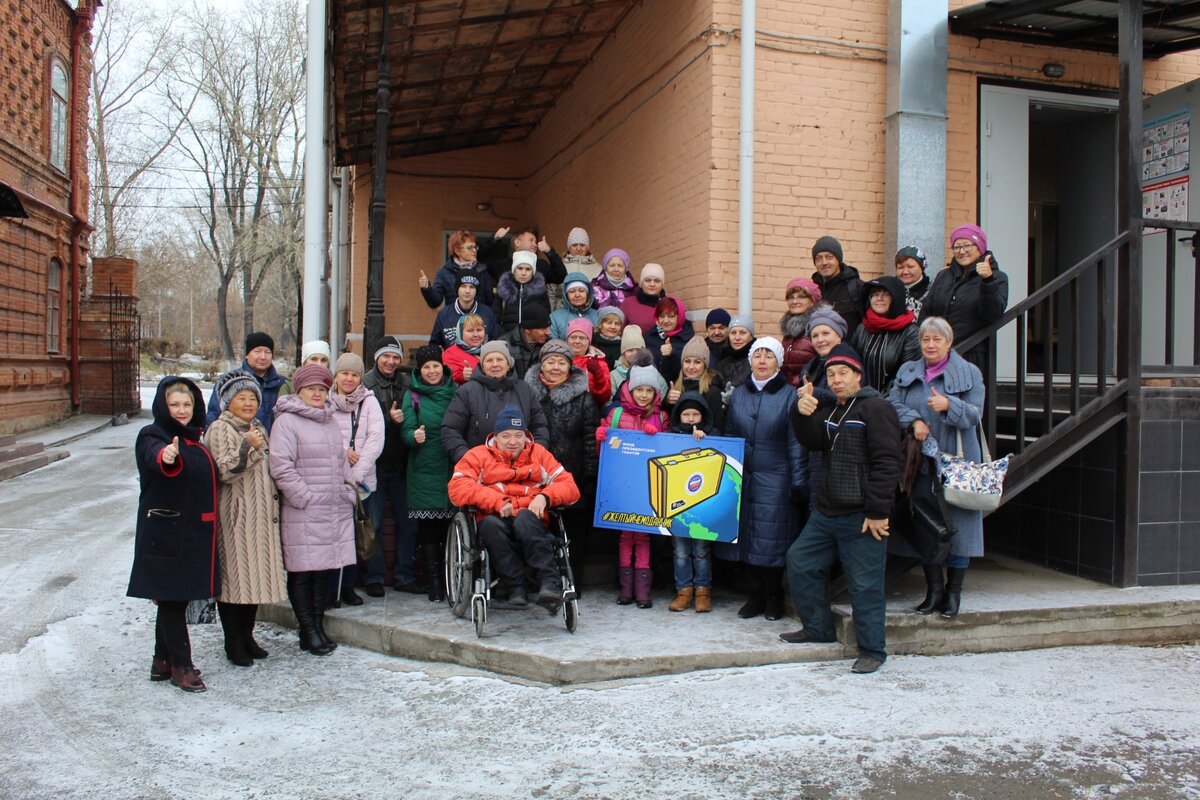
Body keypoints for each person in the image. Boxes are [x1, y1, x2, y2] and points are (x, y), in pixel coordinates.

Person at [785, 343, 902, 675]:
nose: (836, 380)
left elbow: (887, 462)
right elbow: (812, 441)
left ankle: (872, 650)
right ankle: (818, 628)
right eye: (831, 374)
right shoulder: (835, 409)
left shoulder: (876, 409)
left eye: (843, 373)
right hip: (826, 512)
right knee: (800, 560)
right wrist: (800, 411)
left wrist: (878, 511)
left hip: (863, 516)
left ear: (857, 376)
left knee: (864, 584)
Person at [887, 316, 986, 618]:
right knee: (927, 525)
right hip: (920, 462)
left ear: (949, 342)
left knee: (960, 527)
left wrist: (949, 406)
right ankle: (933, 592)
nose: (930, 345)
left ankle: (953, 593)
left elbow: (975, 414)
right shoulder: (908, 371)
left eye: (936, 340)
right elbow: (891, 402)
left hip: (957, 462)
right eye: (926, 340)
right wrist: (914, 420)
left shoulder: (968, 373)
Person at [128, 376, 218, 693]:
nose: (181, 410)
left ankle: (161, 661)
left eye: (187, 404)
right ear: (163, 407)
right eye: (174, 404)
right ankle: (182, 666)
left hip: (188, 534)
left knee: (171, 598)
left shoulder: (195, 438)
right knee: (172, 600)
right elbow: (156, 456)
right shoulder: (153, 434)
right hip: (167, 536)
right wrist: (166, 456)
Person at [447, 405, 581, 612]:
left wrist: (545, 497)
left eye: (518, 436)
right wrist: (496, 501)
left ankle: (549, 582)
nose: (512, 442)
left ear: (526, 436)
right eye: (506, 436)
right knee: (491, 525)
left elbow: (570, 487)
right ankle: (515, 587)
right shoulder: (478, 456)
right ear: (496, 436)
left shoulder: (539, 454)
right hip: (495, 517)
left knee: (525, 520)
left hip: (531, 519)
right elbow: (457, 488)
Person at [202, 370, 288, 668]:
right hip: (237, 517)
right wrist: (247, 446)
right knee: (235, 582)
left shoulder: (257, 425)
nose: (249, 403)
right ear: (228, 401)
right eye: (242, 398)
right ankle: (233, 641)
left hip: (261, 516)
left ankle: (248, 636)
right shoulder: (219, 428)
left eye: (253, 398)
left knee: (255, 580)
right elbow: (224, 471)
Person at [269, 365, 357, 657]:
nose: (318, 394)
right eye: (312, 389)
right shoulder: (287, 422)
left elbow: (341, 461)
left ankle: (317, 627)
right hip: (304, 510)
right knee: (303, 571)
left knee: (323, 571)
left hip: (333, 507)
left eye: (322, 389)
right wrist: (303, 497)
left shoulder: (330, 420)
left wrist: (348, 490)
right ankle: (307, 630)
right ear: (299, 391)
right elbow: (281, 466)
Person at [719, 337, 805, 621]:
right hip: (743, 477)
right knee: (746, 540)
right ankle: (753, 596)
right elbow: (730, 433)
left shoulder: (789, 395)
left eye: (769, 355)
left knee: (772, 541)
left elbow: (796, 442)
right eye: (758, 355)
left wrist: (797, 481)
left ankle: (774, 597)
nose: (763, 360)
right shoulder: (740, 394)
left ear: (778, 363)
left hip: (776, 478)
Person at [525, 339, 600, 591]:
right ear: (541, 365)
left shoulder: (584, 397)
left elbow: (591, 438)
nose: (555, 367)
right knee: (537, 530)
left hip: (573, 476)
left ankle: (572, 583)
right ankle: (542, 582)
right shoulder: (527, 395)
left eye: (561, 362)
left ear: (570, 367)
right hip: (536, 477)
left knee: (574, 535)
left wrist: (589, 475)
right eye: (550, 362)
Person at [595, 365, 669, 608]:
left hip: (649, 487)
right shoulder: (616, 414)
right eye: (640, 389)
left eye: (650, 390)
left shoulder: (661, 417)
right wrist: (601, 438)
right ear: (630, 389)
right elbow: (605, 455)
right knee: (626, 536)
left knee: (644, 537)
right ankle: (626, 590)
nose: (644, 395)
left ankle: (643, 592)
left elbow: (668, 450)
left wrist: (655, 435)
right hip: (623, 486)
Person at [362, 336, 422, 595]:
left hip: (401, 463)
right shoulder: (365, 384)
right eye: (386, 356)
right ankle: (374, 577)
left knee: (408, 522)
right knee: (373, 523)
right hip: (374, 464)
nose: (391, 361)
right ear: (377, 357)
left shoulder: (407, 383)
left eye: (395, 356)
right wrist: (389, 419)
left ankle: (404, 575)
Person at [400, 345, 458, 603]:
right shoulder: (412, 396)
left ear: (442, 366)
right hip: (424, 470)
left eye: (435, 365)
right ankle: (435, 583)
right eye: (426, 367)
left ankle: (452, 580)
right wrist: (413, 436)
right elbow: (405, 432)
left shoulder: (456, 392)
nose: (432, 371)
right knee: (430, 532)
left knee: (453, 530)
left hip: (453, 468)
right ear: (419, 370)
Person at [329, 352, 385, 602]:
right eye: (344, 373)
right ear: (336, 376)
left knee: (359, 533)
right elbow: (320, 436)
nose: (349, 379)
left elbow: (376, 439)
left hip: (362, 482)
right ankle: (332, 587)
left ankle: (349, 586)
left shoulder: (369, 402)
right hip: (331, 479)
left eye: (354, 374)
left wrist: (356, 473)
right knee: (333, 534)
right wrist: (343, 454)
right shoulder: (327, 401)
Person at [441, 340, 551, 463]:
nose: (495, 364)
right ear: (482, 365)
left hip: (521, 467)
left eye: (500, 359)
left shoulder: (524, 389)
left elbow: (539, 426)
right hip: (480, 468)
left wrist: (534, 456)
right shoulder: (467, 391)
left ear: (509, 364)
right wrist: (467, 459)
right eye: (489, 360)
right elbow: (450, 429)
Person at [921, 224, 1009, 376]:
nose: (961, 251)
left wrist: (988, 280)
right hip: (937, 355)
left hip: (971, 355)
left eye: (967, 246)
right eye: (956, 247)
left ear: (979, 247)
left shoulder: (997, 277)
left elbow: (992, 314)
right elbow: (927, 312)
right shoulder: (944, 276)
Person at [667, 391, 717, 613]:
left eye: (695, 414)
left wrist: (705, 438)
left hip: (702, 505)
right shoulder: (671, 435)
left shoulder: (712, 434)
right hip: (678, 505)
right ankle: (683, 590)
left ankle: (703, 591)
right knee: (680, 551)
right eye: (685, 414)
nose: (690, 419)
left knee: (701, 550)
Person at [848, 276, 920, 394]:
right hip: (860, 399)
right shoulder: (862, 328)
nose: (879, 298)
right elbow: (852, 365)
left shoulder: (910, 332)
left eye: (886, 294)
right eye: (875, 294)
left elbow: (907, 374)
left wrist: (880, 400)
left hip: (892, 402)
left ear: (897, 298)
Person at [204, 331, 287, 430]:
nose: (263, 357)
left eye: (267, 352)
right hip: (236, 441)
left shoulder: (282, 383)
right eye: (257, 351)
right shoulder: (230, 380)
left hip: (276, 442)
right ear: (247, 355)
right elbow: (214, 415)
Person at [419, 229, 495, 309]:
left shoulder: (482, 270)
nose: (474, 250)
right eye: (470, 247)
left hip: (479, 319)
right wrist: (427, 288)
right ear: (457, 251)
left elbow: (490, 301)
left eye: (475, 247)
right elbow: (435, 302)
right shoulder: (444, 272)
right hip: (454, 320)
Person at [664, 336, 726, 430]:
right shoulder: (675, 388)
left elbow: (717, 427)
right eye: (687, 361)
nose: (691, 367)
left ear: (705, 365)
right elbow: (668, 422)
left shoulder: (713, 392)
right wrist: (667, 402)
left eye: (697, 362)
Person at [810, 235, 866, 333]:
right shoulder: (812, 291)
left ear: (838, 260)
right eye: (818, 258)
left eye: (829, 257)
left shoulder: (857, 288)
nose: (824, 262)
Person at [430, 272, 501, 348]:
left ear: (476, 290)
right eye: (463, 286)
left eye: (471, 287)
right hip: (452, 359)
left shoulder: (487, 313)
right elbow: (434, 345)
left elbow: (495, 343)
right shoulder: (444, 314)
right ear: (457, 289)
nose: (467, 291)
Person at [493, 250, 551, 333]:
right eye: (520, 268)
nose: (523, 273)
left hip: (532, 339)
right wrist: (502, 336)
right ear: (514, 270)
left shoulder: (540, 291)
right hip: (507, 338)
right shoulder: (503, 288)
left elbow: (546, 317)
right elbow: (495, 316)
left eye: (528, 269)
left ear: (533, 272)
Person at [780, 278, 822, 386]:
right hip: (790, 391)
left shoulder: (818, 326)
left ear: (813, 300)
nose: (794, 301)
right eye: (791, 297)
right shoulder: (789, 329)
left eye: (801, 297)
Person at [644, 296, 694, 382]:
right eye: (662, 316)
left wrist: (672, 354)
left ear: (679, 317)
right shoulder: (649, 337)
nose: (666, 320)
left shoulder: (688, 339)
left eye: (671, 316)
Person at [565, 318, 612, 408]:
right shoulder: (559, 360)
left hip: (589, 411)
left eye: (582, 338)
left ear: (589, 341)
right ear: (567, 339)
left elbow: (603, 397)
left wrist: (599, 376)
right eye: (573, 337)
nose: (577, 341)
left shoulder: (599, 363)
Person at [500, 304, 552, 379]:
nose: (548, 332)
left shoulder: (550, 345)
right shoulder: (504, 344)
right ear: (527, 329)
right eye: (543, 328)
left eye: (548, 327)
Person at [550, 271, 599, 340]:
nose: (577, 295)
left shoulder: (597, 316)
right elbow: (552, 343)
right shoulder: (555, 317)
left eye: (581, 291)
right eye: (572, 291)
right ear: (566, 295)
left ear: (588, 294)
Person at [619, 263, 667, 334]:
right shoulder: (628, 303)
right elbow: (618, 330)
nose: (652, 284)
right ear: (641, 283)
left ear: (662, 284)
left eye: (657, 281)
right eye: (647, 280)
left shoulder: (670, 304)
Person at [442, 314, 487, 385]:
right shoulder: (450, 353)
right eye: (470, 331)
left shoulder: (489, 351)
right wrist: (462, 377)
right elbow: (446, 378)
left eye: (479, 330)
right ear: (460, 332)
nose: (475, 334)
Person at [716, 315, 756, 389]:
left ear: (751, 336)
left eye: (743, 333)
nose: (737, 338)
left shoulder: (757, 360)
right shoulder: (723, 363)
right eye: (733, 333)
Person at [895, 245, 931, 318]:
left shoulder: (932, 292)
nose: (905, 272)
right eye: (900, 267)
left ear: (921, 268)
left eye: (910, 267)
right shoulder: (889, 290)